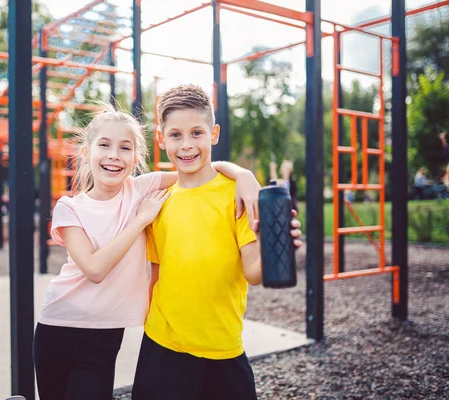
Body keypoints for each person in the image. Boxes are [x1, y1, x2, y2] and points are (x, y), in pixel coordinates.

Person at [32, 104, 259, 400]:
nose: (114, 155)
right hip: (58, 325)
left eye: (125, 148)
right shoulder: (69, 207)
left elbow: (195, 168)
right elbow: (95, 269)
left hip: (105, 334)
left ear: (135, 158)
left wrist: (243, 174)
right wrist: (142, 220)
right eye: (104, 145)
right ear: (86, 153)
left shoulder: (140, 188)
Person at [131, 84, 302, 400]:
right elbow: (156, 276)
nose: (186, 145)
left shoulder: (237, 196)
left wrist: (278, 248)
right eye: (175, 135)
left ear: (214, 133)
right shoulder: (158, 201)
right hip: (162, 346)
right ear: (161, 138)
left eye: (197, 133)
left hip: (223, 350)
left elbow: (253, 272)